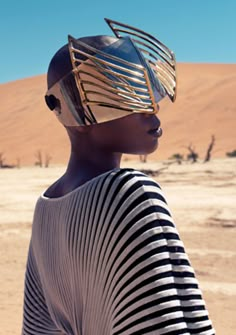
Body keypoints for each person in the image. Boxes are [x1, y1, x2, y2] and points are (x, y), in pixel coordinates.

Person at [22, 18, 215, 335]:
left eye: (150, 97)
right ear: (78, 109)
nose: (152, 114)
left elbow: (37, 326)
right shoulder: (130, 192)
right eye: (131, 98)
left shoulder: (46, 206)